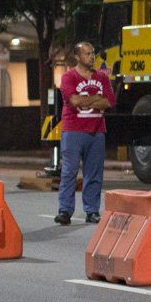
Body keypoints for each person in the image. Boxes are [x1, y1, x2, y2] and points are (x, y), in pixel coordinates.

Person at [55, 41, 116, 224]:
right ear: (77, 57)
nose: (92, 57)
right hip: (73, 131)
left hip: (97, 132)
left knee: (94, 173)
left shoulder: (102, 77)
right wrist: (96, 98)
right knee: (69, 172)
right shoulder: (69, 77)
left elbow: (109, 101)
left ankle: (92, 211)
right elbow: (74, 101)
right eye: (87, 54)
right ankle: (65, 211)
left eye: (92, 53)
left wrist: (87, 100)